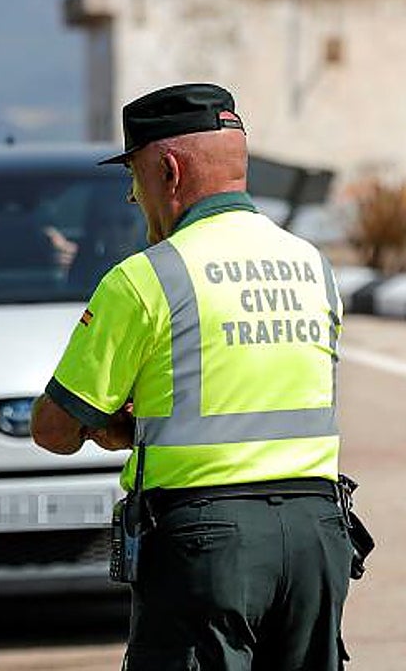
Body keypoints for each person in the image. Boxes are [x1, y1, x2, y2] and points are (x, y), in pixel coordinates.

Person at [29, 84, 353, 670]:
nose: (133, 196)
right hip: (317, 535)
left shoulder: (148, 278)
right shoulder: (315, 267)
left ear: (168, 171)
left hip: (208, 542)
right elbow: (257, 394)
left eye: (135, 177)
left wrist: (116, 427)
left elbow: (54, 430)